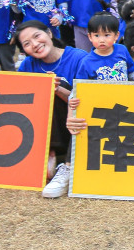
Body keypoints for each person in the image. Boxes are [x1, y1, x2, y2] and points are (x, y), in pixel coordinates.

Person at [14, 19, 87, 198]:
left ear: (50, 33)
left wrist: (58, 89)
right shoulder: (27, 66)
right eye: (27, 44)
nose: (35, 45)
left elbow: (88, 99)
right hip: (40, 130)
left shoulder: (79, 58)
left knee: (57, 85)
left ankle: (59, 161)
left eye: (37, 36)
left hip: (74, 127)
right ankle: (47, 153)